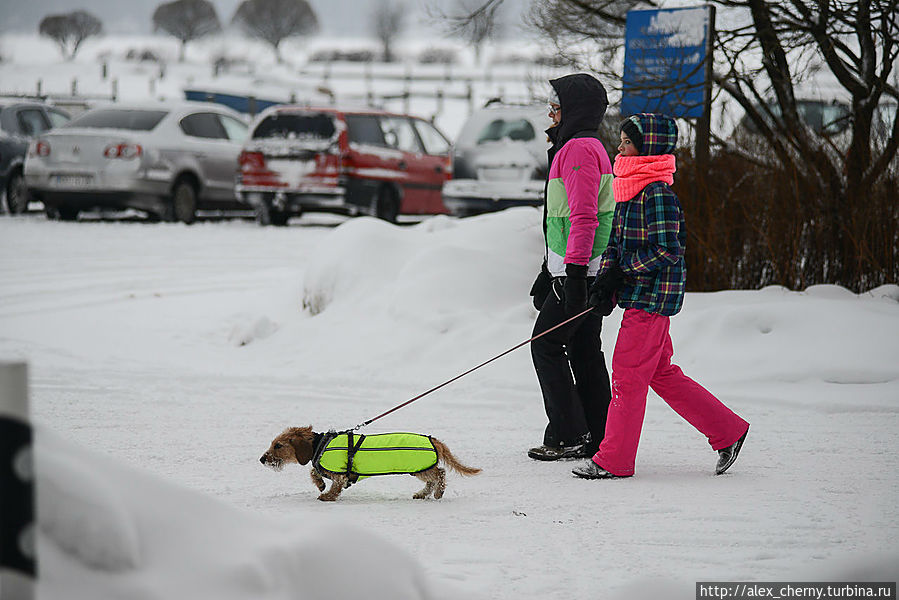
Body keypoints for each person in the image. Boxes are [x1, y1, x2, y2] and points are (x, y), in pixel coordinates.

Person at [572, 113, 749, 479]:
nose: (620, 147)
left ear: (648, 147)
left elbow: (670, 249)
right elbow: (617, 244)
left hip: (653, 298)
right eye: (621, 140)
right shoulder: (629, 186)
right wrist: (605, 279)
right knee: (660, 373)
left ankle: (615, 460)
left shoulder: (657, 193)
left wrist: (626, 270)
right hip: (636, 293)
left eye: (628, 142)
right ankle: (728, 430)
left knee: (627, 375)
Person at [527, 73, 615, 461]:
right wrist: (550, 270)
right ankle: (599, 434)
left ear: (574, 110)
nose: (551, 112)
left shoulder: (579, 149)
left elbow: (584, 216)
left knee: (545, 345)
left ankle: (569, 433)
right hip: (577, 269)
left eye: (556, 106)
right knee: (582, 348)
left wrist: (575, 273)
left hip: (582, 271)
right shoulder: (579, 146)